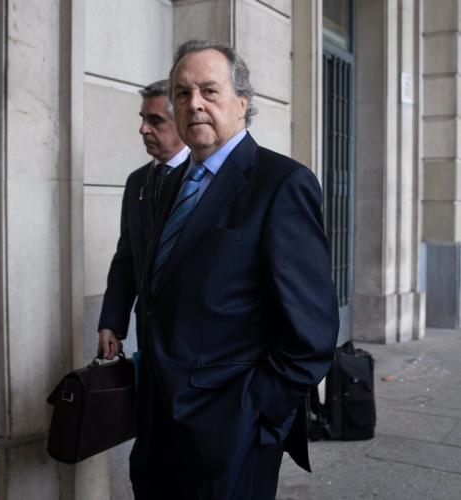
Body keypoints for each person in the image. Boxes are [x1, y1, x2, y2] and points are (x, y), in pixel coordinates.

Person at [121, 40, 340, 499]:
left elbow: (312, 333)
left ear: (242, 102)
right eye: (182, 93)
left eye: (209, 90)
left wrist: (253, 410)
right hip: (159, 422)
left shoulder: (281, 184)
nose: (194, 103)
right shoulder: (172, 183)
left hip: (231, 431)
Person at [98, 79, 188, 356]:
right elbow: (127, 258)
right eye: (143, 119)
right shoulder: (137, 181)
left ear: (182, 122)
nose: (143, 129)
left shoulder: (203, 178)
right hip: (148, 334)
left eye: (155, 120)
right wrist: (112, 322)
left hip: (193, 338)